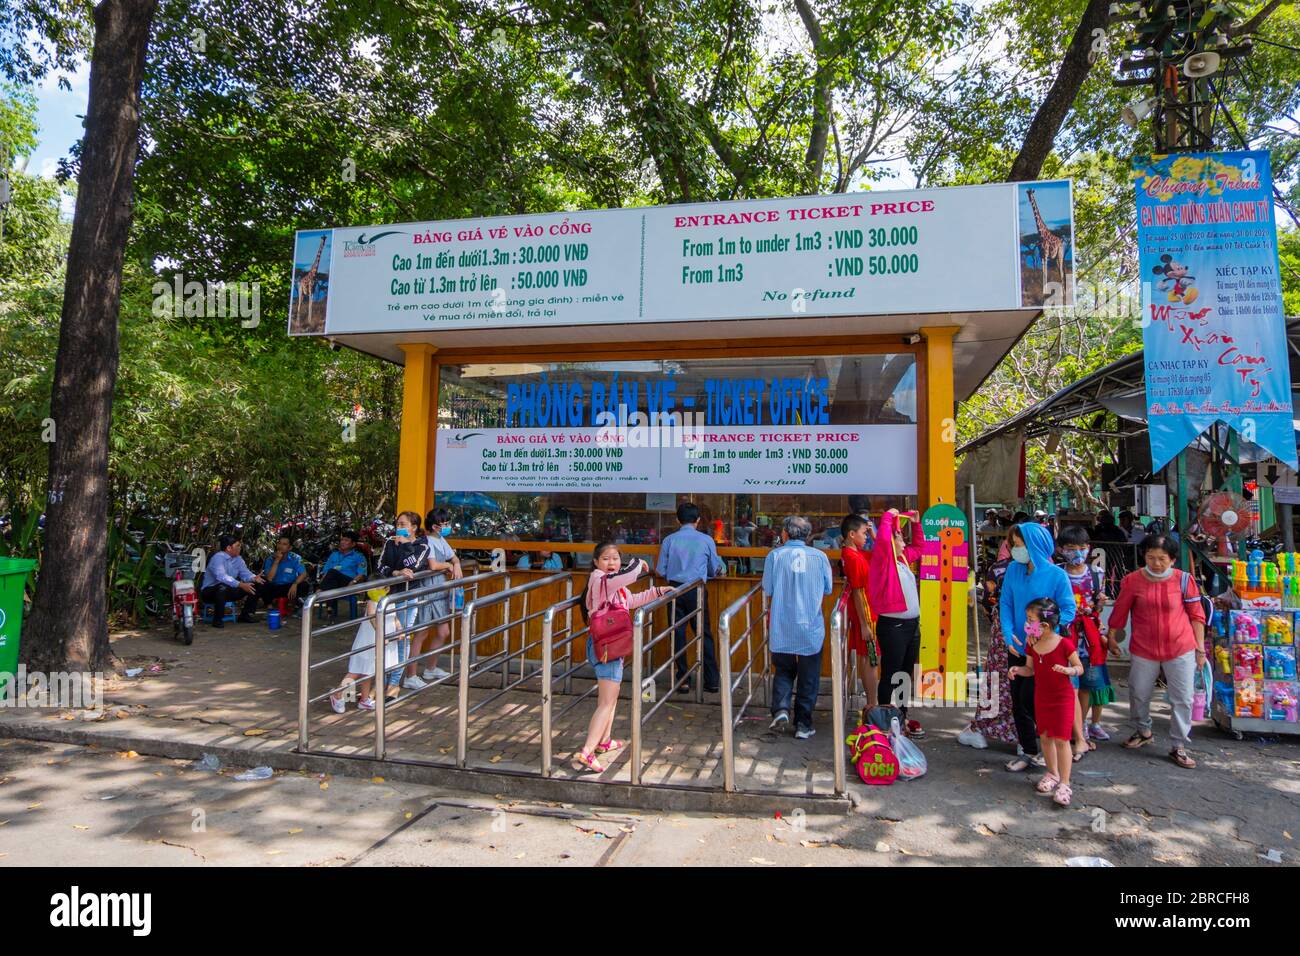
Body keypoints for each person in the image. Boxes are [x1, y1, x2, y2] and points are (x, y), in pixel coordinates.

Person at [1106, 534, 1206, 769]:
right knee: (1138, 692)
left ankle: (1178, 745)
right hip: (1143, 648)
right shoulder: (1132, 581)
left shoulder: (1184, 580)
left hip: (1181, 648)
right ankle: (1143, 730)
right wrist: (1111, 638)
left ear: (1172, 559)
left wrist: (1199, 648)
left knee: (1182, 698)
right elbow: (1120, 612)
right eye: (1151, 558)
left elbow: (1196, 615)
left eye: (1162, 558)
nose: (1156, 563)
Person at [573, 543, 669, 772]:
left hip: (611, 645)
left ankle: (603, 742)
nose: (611, 563)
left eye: (615, 558)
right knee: (607, 702)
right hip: (607, 646)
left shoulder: (612, 583)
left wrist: (660, 591)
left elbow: (632, 600)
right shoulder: (600, 579)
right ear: (596, 562)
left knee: (610, 698)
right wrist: (640, 562)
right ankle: (587, 751)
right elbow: (632, 574)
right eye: (606, 558)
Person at [998, 522, 1077, 771]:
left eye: (1019, 545)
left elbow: (1068, 610)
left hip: (1046, 651)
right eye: (1012, 545)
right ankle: (1028, 750)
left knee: (1035, 698)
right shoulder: (1013, 569)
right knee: (1018, 699)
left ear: (1034, 544)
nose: (1014, 550)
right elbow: (1006, 604)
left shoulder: (1057, 575)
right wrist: (1009, 634)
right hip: (1019, 648)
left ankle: (1052, 747)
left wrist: (1039, 632)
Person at [763, 516, 834, 739]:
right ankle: (803, 724)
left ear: (785, 533)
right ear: (807, 535)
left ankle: (781, 709)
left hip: (782, 625)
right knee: (809, 675)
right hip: (810, 626)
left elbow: (768, 588)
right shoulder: (820, 556)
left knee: (783, 670)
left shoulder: (774, 556)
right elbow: (829, 588)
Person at [1009, 597, 1084, 807]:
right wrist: (1017, 670)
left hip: (1062, 698)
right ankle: (1051, 773)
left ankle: (1065, 782)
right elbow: (1030, 669)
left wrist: (1070, 670)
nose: (1026, 623)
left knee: (1061, 739)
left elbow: (1079, 667)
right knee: (1045, 737)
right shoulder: (1032, 644)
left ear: (1044, 624)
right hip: (1042, 697)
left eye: (1030, 619)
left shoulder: (1064, 644)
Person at [867, 508, 927, 738]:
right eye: (900, 538)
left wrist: (916, 524)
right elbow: (883, 540)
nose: (904, 541)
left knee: (904, 675)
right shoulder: (884, 561)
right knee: (890, 674)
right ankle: (884, 719)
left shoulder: (902, 560)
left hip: (912, 626)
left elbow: (920, 548)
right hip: (893, 627)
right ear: (892, 542)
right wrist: (887, 517)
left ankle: (901, 716)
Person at [957, 534, 1019, 750]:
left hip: (1020, 635)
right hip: (1014, 636)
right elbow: (989, 603)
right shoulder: (1008, 570)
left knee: (1003, 683)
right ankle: (1022, 735)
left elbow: (988, 605)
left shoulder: (1001, 569)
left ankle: (1022, 734)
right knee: (1003, 683)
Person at [656, 501, 725, 694]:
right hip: (697, 590)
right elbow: (714, 569)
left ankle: (683, 679)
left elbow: (660, 569)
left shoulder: (669, 540)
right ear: (698, 520)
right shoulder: (706, 540)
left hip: (674, 590)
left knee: (677, 633)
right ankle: (711, 681)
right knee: (704, 634)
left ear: (678, 520)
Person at [1057, 525, 1116, 745]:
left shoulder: (1096, 573)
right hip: (1065, 635)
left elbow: (1099, 606)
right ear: (1061, 549)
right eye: (1071, 547)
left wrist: (1098, 606)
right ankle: (1073, 727)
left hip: (1090, 637)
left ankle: (1083, 726)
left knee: (1088, 683)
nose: (1078, 552)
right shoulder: (1057, 573)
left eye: (1082, 547)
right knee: (1068, 684)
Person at [374, 512, 431, 696]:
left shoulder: (422, 545)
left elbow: (413, 566)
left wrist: (407, 545)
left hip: (408, 596)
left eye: (403, 523)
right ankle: (381, 679)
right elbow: (380, 566)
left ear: (413, 527)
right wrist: (396, 573)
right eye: (397, 523)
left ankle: (394, 683)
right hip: (388, 595)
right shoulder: (390, 543)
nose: (398, 526)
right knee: (386, 637)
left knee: (402, 637)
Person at [406, 507, 463, 688]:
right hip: (427, 588)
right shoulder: (427, 541)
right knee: (421, 632)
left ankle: (430, 668)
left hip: (440, 589)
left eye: (447, 523)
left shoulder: (441, 539)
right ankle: (410, 676)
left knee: (443, 632)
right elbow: (432, 565)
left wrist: (456, 564)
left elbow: (453, 557)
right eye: (442, 524)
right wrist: (447, 564)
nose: (445, 527)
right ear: (433, 525)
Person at [330, 582, 402, 713]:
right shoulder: (372, 602)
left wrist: (399, 629)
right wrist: (381, 634)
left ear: (387, 589)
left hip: (381, 642)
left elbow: (395, 618)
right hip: (367, 641)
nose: (373, 590)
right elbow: (372, 618)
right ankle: (337, 694)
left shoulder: (389, 602)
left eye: (377, 587)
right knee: (356, 671)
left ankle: (364, 699)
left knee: (369, 670)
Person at [839, 514, 879, 709]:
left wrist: (873, 532)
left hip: (868, 613)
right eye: (864, 533)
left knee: (867, 657)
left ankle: (871, 703)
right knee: (871, 658)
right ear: (852, 534)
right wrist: (865, 624)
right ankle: (872, 704)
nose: (867, 537)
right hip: (868, 615)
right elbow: (857, 592)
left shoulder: (857, 553)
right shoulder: (852, 557)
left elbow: (883, 551)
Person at [200, 534, 264, 627]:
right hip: (210, 592)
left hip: (228, 590)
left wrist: (254, 578)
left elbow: (245, 573)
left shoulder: (238, 559)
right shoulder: (218, 558)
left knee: (259, 583)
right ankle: (217, 619)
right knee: (222, 587)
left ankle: (245, 615)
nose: (240, 548)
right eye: (237, 546)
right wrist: (241, 585)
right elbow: (222, 577)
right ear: (229, 548)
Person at [317, 530, 369, 617]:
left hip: (348, 582)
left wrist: (353, 582)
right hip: (332, 582)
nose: (343, 542)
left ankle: (318, 593)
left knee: (332, 572)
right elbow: (325, 571)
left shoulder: (358, 556)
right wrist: (322, 581)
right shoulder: (334, 554)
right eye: (342, 540)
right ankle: (330, 607)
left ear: (353, 544)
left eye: (346, 540)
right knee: (331, 575)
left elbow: (362, 574)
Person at [258, 534, 308, 613]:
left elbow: (303, 574)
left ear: (290, 548)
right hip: (274, 587)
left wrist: (295, 584)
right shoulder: (270, 558)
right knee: (263, 583)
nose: (281, 546)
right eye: (279, 543)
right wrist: (277, 561)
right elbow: (269, 578)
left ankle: (295, 604)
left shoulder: (296, 558)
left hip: (289, 587)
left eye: (284, 544)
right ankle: (269, 606)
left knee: (304, 585)